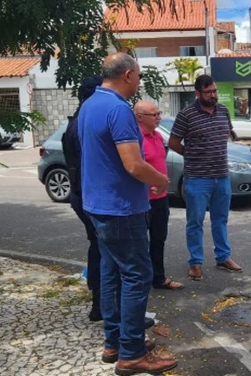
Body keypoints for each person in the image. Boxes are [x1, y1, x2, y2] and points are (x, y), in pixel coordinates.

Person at [78, 53, 177, 375]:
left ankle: (115, 342)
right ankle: (132, 353)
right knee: (137, 276)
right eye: (139, 75)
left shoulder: (90, 105)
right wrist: (161, 180)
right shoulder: (119, 109)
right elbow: (133, 165)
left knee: (111, 275)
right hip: (121, 208)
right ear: (129, 75)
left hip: (97, 205)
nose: (139, 81)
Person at [168, 74, 242, 281]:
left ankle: (223, 257)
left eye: (215, 91)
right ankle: (196, 262)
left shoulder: (223, 111)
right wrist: (191, 154)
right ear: (197, 93)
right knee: (195, 222)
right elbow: (174, 142)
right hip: (197, 178)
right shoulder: (187, 115)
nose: (213, 95)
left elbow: (227, 134)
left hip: (221, 176)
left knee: (221, 220)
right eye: (208, 92)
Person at [61, 75, 104, 321]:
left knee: (97, 247)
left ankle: (99, 303)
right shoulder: (83, 124)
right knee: (102, 250)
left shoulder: (77, 121)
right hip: (89, 197)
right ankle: (101, 305)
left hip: (81, 195)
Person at [133, 101, 184, 291]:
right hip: (142, 200)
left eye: (158, 113)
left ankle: (158, 277)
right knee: (139, 244)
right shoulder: (135, 139)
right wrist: (147, 185)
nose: (158, 117)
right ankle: (139, 281)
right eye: (153, 114)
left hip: (161, 199)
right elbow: (132, 169)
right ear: (140, 117)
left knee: (158, 239)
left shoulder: (157, 136)